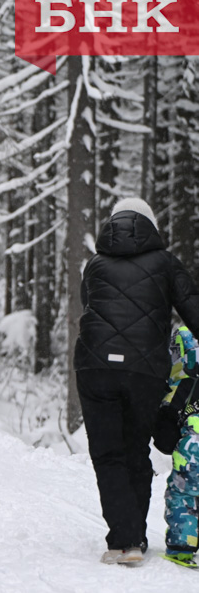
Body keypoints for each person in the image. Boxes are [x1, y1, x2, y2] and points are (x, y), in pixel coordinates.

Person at [74, 197, 199, 565]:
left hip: (95, 367)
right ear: (150, 227)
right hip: (144, 370)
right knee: (135, 450)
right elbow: (191, 306)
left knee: (107, 454)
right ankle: (135, 539)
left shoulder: (94, 264)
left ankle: (122, 540)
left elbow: (89, 305)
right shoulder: (166, 262)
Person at [156, 326, 199, 568]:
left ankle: (182, 547)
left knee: (183, 496)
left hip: (193, 455)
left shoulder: (181, 386)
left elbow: (164, 434)